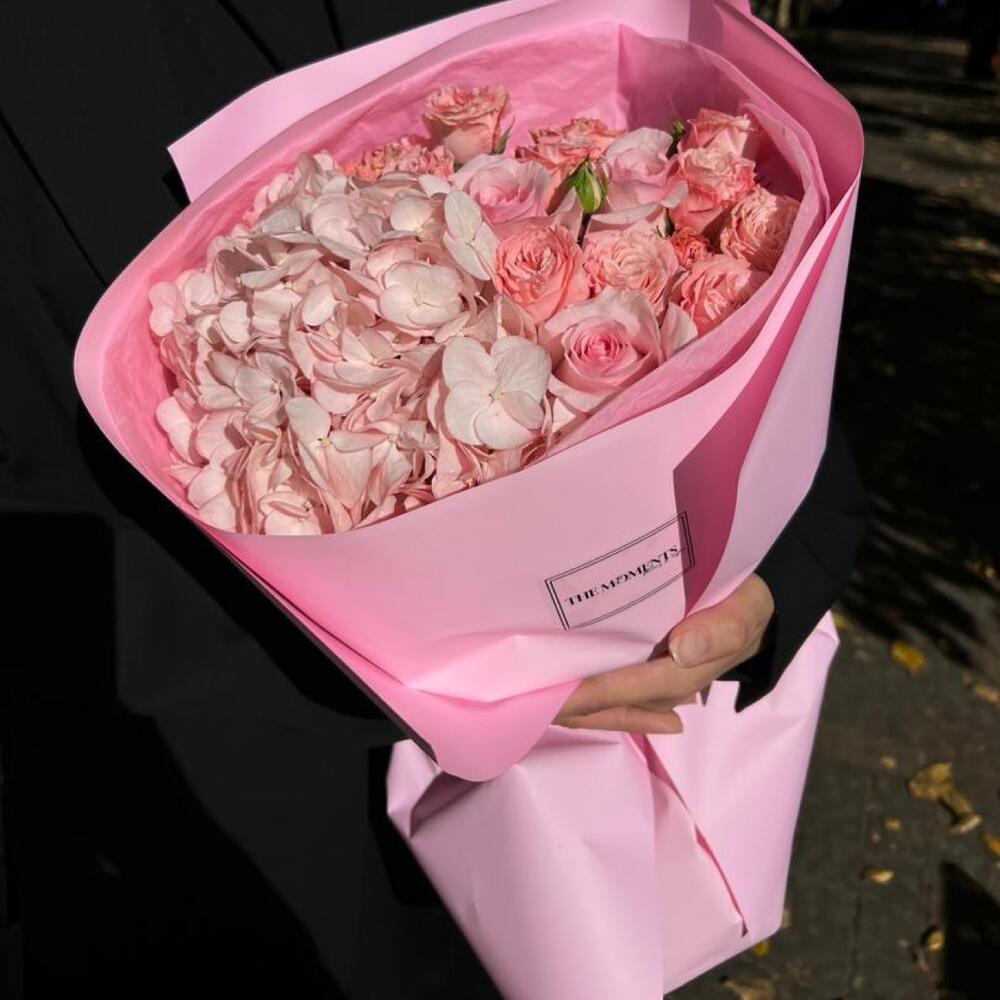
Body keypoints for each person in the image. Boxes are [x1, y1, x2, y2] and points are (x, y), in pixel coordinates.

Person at [0, 2, 866, 997]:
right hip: (227, 857)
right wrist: (436, 678)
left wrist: (771, 552)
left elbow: (768, 304)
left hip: (588, 800)